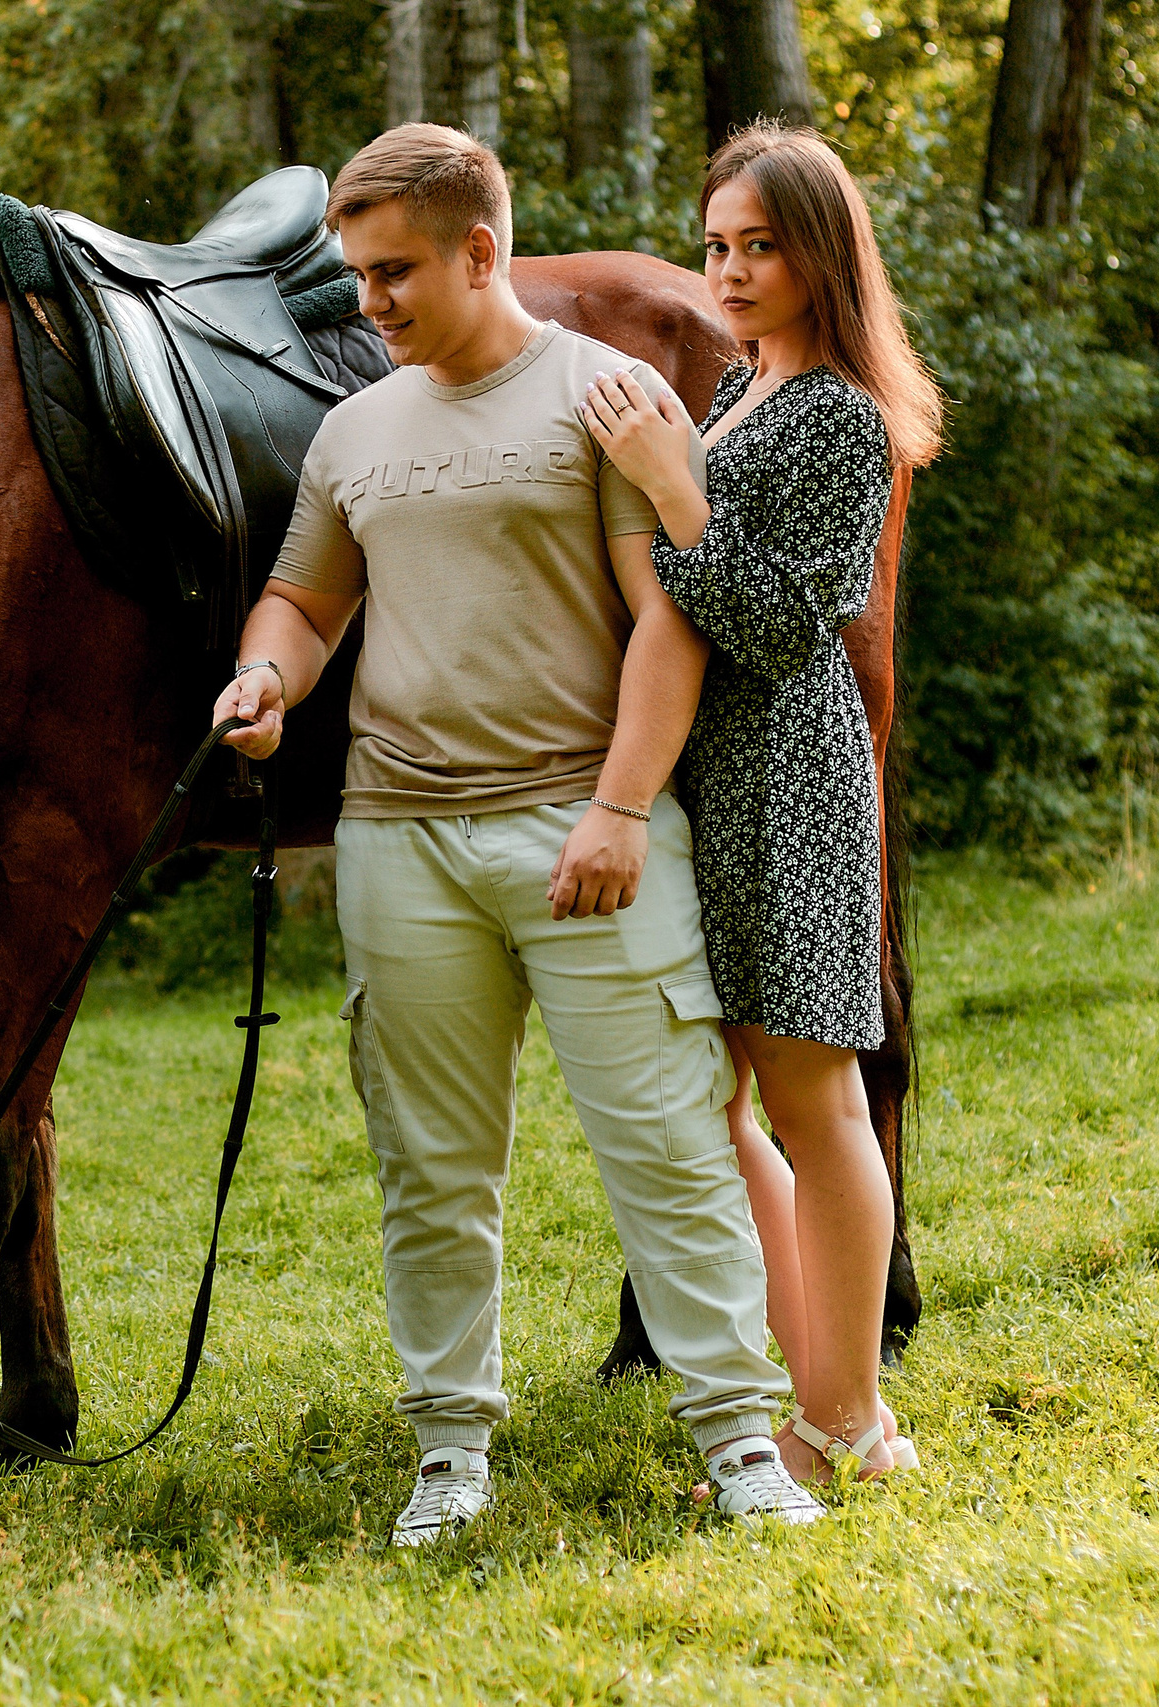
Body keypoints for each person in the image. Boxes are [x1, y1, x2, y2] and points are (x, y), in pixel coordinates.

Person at [211, 122, 825, 1542]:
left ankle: (741, 1442)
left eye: (394, 273)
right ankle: (450, 1454)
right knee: (429, 1167)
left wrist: (619, 805)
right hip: (399, 843)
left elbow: (670, 621)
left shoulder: (607, 397)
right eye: (358, 275)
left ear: (480, 250)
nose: (369, 304)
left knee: (670, 1146)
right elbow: (304, 604)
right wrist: (263, 676)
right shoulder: (354, 428)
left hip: (586, 832)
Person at [578, 121, 944, 1483]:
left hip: (789, 786)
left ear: (822, 255)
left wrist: (674, 491)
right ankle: (822, 1394)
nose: (728, 271)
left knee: (815, 1102)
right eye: (716, 245)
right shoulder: (744, 392)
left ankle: (851, 1420)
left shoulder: (844, 414)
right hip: (709, 786)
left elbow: (789, 629)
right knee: (723, 1106)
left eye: (760, 246)